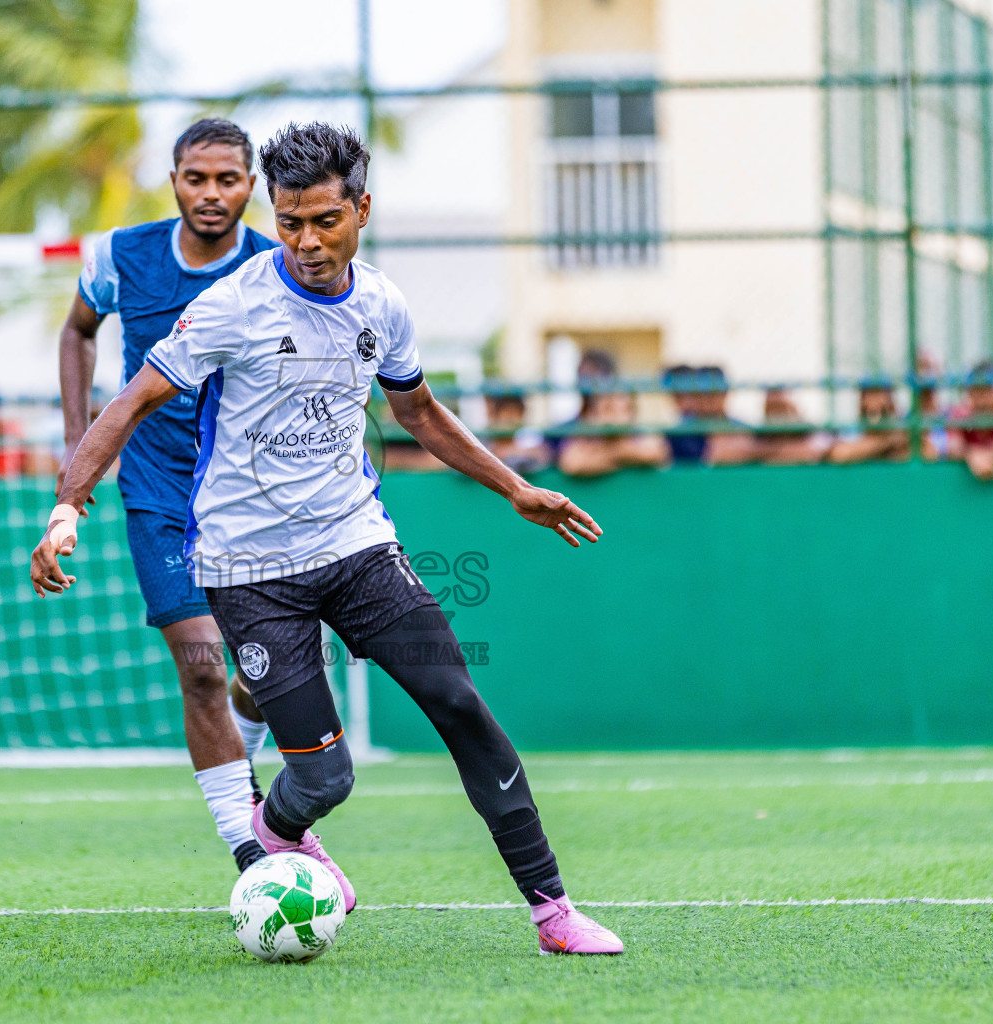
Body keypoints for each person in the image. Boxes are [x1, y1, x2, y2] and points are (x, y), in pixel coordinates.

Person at [32, 122, 624, 955]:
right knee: (324, 776)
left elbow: (417, 411)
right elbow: (128, 403)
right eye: (290, 222)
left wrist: (515, 488)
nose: (307, 242)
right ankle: (278, 836)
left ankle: (554, 910)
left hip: (357, 549)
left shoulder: (381, 303)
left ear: (362, 210)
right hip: (251, 570)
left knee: (460, 704)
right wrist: (68, 508)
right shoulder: (233, 306)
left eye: (324, 222)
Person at [54, 118, 278, 874]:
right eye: (195, 178)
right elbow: (77, 331)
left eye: (227, 180)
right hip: (157, 493)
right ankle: (252, 851)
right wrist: (80, 442)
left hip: (253, 495)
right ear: (174, 180)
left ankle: (249, 758)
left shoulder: (276, 267)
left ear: (252, 186)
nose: (211, 194)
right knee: (206, 668)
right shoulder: (121, 256)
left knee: (267, 672)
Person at [556, 356, 668, 478]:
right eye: (608, 408)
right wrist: (623, 456)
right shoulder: (586, 437)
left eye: (624, 409)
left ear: (632, 413)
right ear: (593, 414)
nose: (616, 416)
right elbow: (574, 464)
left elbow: (657, 452)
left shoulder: (643, 436)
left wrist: (605, 455)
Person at [826, 377, 910, 464]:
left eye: (880, 394)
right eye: (869, 394)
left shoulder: (903, 424)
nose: (875, 400)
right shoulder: (853, 429)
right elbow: (840, 454)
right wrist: (887, 442)